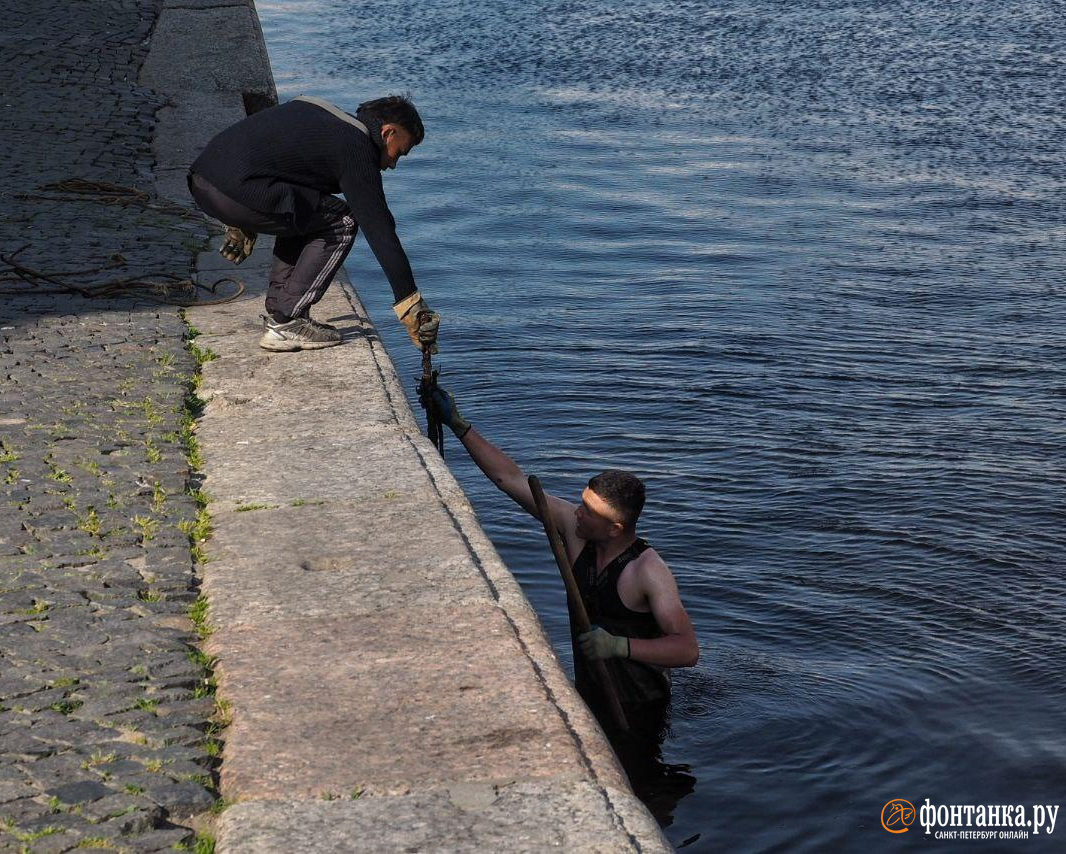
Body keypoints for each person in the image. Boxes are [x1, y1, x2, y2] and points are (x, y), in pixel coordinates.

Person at [425, 384, 699, 745]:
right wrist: (459, 425)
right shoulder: (577, 530)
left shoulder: (648, 571)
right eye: (581, 502)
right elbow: (510, 480)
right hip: (590, 692)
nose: (577, 512)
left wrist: (619, 647)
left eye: (588, 510)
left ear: (616, 528)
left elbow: (687, 649)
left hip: (638, 708)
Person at [187, 94, 439, 354]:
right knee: (343, 220)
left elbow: (272, 159)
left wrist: (243, 219)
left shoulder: (317, 112)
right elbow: (380, 231)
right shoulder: (355, 147)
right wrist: (410, 303)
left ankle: (281, 309)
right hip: (236, 193)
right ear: (387, 133)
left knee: (310, 207)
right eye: (398, 153)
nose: (393, 165)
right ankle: (287, 323)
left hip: (203, 181)